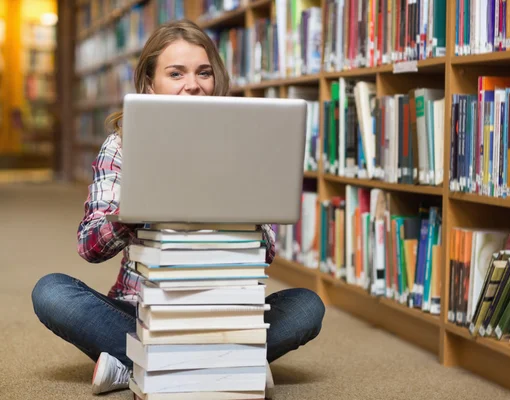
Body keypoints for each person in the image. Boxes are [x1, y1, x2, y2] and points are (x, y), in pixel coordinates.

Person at [31, 19, 325, 396]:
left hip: (224, 309)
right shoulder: (121, 145)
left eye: (204, 72)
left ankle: (136, 363)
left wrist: (236, 200)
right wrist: (132, 212)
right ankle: (230, 364)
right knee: (51, 293)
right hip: (141, 310)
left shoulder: (244, 142)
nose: (193, 85)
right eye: (176, 73)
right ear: (150, 83)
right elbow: (89, 246)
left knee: (307, 307)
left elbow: (266, 253)